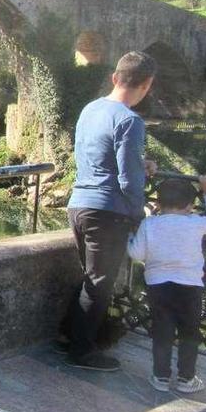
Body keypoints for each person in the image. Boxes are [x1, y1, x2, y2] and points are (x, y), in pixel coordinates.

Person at [62, 51, 158, 371]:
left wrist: (136, 166)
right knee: (100, 284)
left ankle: (72, 335)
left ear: (115, 78)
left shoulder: (91, 109)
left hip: (79, 204)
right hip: (107, 211)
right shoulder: (130, 120)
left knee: (91, 277)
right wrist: (137, 212)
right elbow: (129, 178)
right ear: (147, 85)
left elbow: (93, 154)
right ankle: (82, 351)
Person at [128, 176, 206, 393]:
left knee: (162, 332)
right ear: (191, 205)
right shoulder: (196, 223)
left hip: (158, 286)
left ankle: (160, 377)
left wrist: (128, 238)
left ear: (158, 204)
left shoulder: (149, 224)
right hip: (190, 287)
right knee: (189, 333)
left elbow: (136, 254)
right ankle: (186, 379)